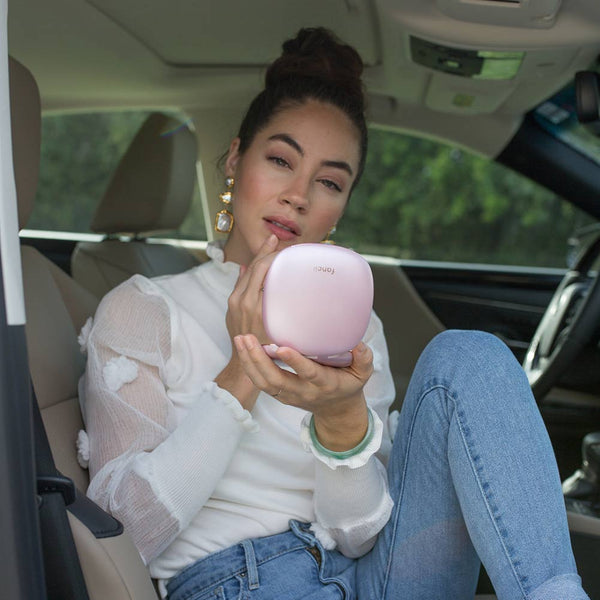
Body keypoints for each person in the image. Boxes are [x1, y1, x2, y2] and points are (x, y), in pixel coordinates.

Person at [80, 27, 590, 600]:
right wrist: (239, 375)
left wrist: (342, 417)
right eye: (279, 160)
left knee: (469, 355)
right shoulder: (144, 309)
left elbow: (358, 538)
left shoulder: (353, 327)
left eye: (328, 181)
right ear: (235, 160)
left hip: (368, 576)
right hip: (238, 582)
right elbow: (123, 537)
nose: (299, 194)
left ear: (340, 208)